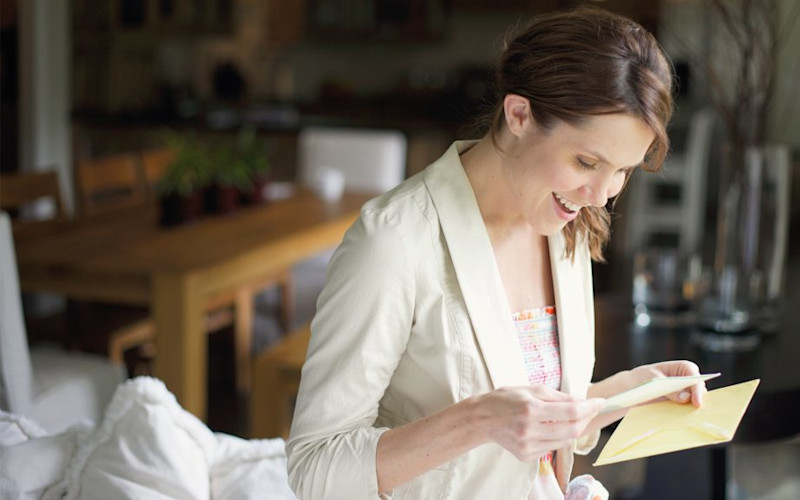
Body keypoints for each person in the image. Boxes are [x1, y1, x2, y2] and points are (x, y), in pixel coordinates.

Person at [286, 7, 708, 499]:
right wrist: (477, 420)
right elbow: (315, 469)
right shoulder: (394, 243)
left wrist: (630, 392)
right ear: (519, 114)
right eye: (587, 161)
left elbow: (532, 414)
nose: (602, 195)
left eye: (622, 171)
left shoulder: (565, 226)